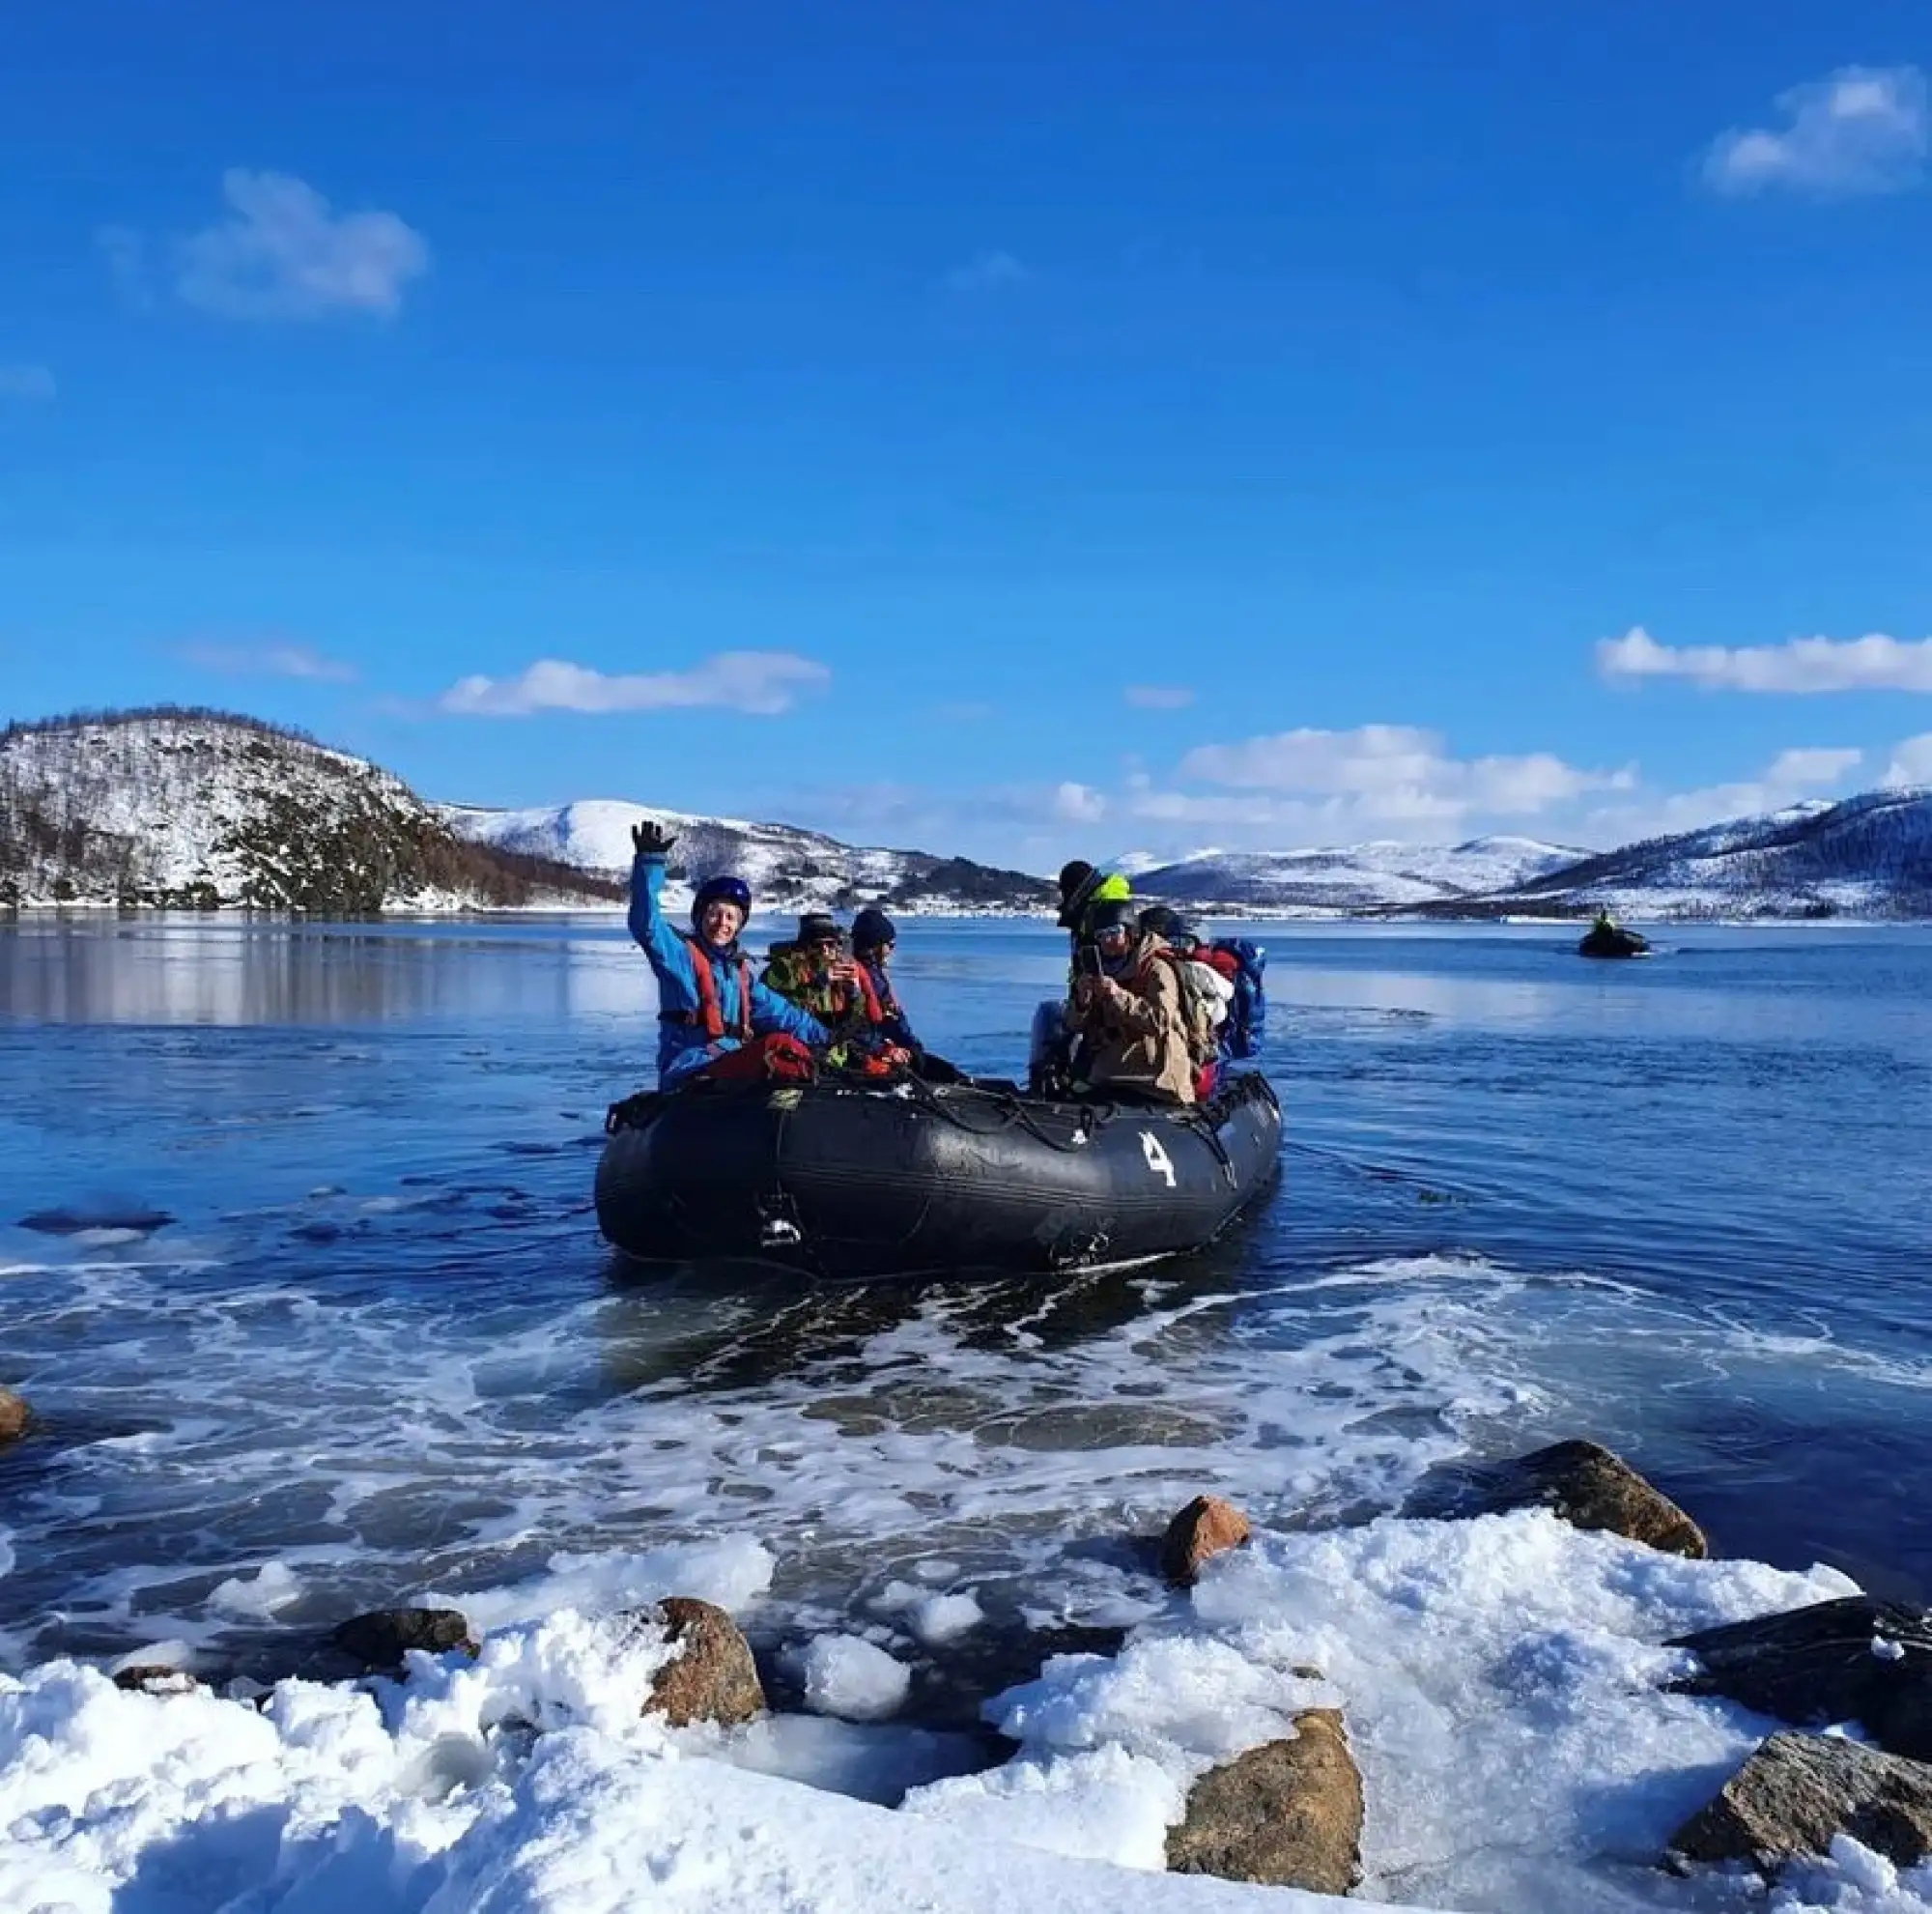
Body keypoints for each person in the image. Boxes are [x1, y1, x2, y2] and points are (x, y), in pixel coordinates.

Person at [627, 820, 828, 1088]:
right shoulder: (679, 956)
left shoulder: (740, 975)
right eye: (714, 914)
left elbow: (784, 1014)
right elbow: (646, 924)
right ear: (700, 918)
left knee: (793, 1054)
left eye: (731, 917)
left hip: (731, 1064)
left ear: (739, 926)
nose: (722, 922)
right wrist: (649, 863)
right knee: (774, 1047)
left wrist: (826, 1037)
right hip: (689, 1069)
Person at [1065, 898, 1197, 1104]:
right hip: (1107, 1076)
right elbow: (1074, 1025)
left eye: (1113, 933)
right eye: (1101, 936)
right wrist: (1082, 1000)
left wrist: (1117, 995)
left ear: (1130, 932)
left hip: (1154, 1080)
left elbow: (1160, 1021)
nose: (1107, 941)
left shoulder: (1157, 969)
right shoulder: (1097, 971)